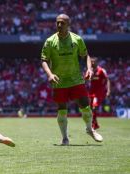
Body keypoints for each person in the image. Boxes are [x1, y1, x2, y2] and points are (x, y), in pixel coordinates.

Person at [40, 14, 103, 145]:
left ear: (69, 24)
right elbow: (44, 60)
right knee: (62, 109)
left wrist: (89, 69)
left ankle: (90, 129)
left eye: (62, 23)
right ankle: (64, 138)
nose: (59, 25)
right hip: (59, 81)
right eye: (57, 22)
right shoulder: (49, 41)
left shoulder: (77, 39)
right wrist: (50, 74)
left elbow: (85, 55)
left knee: (85, 106)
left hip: (76, 80)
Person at [88, 57, 111, 130]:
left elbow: (107, 80)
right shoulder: (90, 71)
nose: (92, 63)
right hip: (91, 93)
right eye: (91, 62)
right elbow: (86, 80)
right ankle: (96, 124)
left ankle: (93, 125)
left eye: (93, 62)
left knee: (94, 107)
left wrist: (108, 90)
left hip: (98, 93)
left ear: (96, 62)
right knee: (91, 109)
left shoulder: (101, 70)